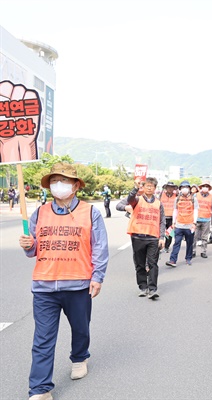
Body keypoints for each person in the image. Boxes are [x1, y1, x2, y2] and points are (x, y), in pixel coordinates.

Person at [18, 162, 109, 400]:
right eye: (55, 181)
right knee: (43, 339)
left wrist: (97, 277)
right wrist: (28, 245)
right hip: (44, 285)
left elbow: (99, 247)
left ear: (76, 185)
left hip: (78, 284)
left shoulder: (91, 212)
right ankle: (40, 389)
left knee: (80, 328)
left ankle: (79, 357)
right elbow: (34, 249)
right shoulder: (39, 212)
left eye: (65, 181)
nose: (59, 185)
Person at [126, 177, 165, 299]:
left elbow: (162, 221)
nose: (149, 188)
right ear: (143, 187)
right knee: (140, 263)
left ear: (155, 188)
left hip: (153, 237)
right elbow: (130, 199)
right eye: (147, 185)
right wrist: (135, 188)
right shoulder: (137, 200)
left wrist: (162, 237)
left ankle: (152, 288)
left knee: (153, 263)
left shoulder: (159, 203)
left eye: (151, 186)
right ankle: (143, 286)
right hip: (138, 236)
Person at [165, 181, 197, 267]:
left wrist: (194, 223)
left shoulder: (193, 199)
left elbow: (195, 211)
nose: (185, 189)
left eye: (186, 187)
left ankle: (188, 258)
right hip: (179, 224)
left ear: (189, 189)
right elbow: (175, 210)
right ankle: (173, 260)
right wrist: (173, 222)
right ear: (180, 189)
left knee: (189, 243)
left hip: (189, 225)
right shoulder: (177, 199)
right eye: (183, 187)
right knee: (176, 243)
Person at [193, 181, 212, 258]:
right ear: (201, 187)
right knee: (194, 236)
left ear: (209, 188)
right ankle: (193, 251)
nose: (205, 187)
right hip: (196, 219)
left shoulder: (211, 197)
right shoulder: (196, 195)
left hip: (206, 219)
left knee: (204, 237)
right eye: (204, 186)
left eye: (207, 186)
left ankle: (203, 251)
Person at [159, 182, 178, 252]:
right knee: (160, 233)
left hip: (172, 218)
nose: (170, 189)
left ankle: (166, 246)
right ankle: (159, 246)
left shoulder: (176, 196)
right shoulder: (161, 194)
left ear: (174, 189)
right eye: (168, 187)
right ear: (166, 188)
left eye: (172, 187)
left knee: (169, 234)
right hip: (162, 217)